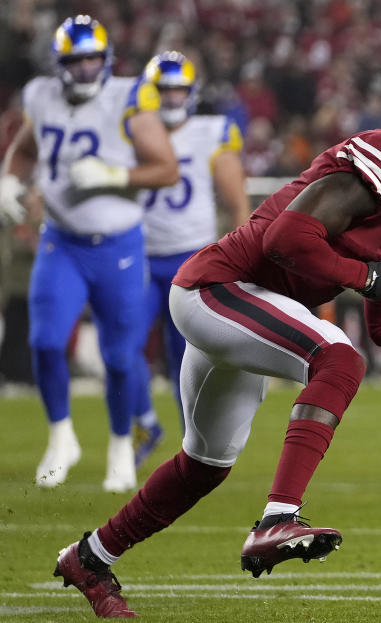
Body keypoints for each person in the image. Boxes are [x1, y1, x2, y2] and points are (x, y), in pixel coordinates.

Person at [53, 60, 381, 619]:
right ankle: (279, 518)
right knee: (339, 359)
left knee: (204, 465)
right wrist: (360, 275)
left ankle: (89, 557)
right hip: (221, 286)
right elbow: (287, 238)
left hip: (242, 305)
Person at [0, 15, 178, 491]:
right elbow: (25, 147)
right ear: (60, 64)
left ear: (106, 61)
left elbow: (166, 169)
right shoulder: (41, 95)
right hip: (62, 240)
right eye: (76, 61)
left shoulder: (127, 97)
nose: (84, 70)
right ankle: (62, 438)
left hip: (118, 245)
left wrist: (114, 176)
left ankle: (121, 444)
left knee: (120, 358)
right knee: (44, 341)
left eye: (92, 60)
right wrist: (9, 178)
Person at [131, 51, 249, 468]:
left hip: (191, 258)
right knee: (124, 345)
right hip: (140, 255)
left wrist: (243, 261)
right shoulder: (132, 130)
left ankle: (194, 448)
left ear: (192, 91)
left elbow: (236, 202)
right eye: (164, 89)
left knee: (186, 358)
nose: (172, 97)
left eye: (179, 88)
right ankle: (145, 421)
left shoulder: (211, 131)